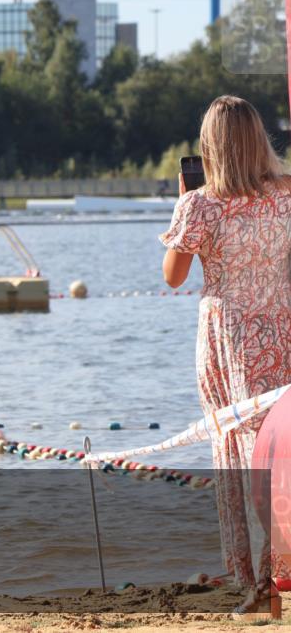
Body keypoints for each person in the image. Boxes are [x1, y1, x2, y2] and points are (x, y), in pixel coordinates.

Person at [159, 95, 290, 619]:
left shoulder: (200, 205)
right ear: (259, 140)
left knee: (240, 455)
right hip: (282, 329)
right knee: (281, 454)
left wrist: (182, 203)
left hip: (229, 339)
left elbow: (172, 277)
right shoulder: (286, 196)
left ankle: (261, 589)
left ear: (210, 147)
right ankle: (278, 572)